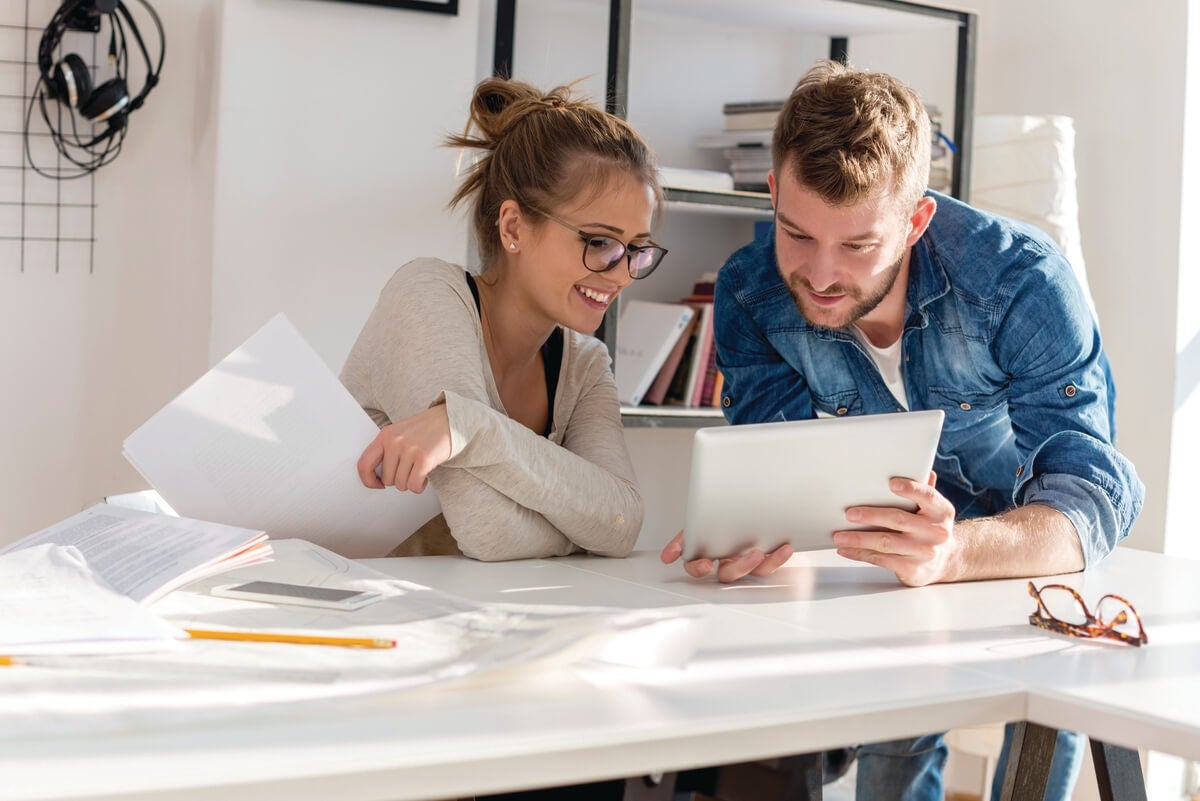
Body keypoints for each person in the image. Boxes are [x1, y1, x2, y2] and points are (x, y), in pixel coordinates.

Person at [661, 60, 1144, 801]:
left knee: (1052, 687)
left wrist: (954, 551)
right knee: (892, 728)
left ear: (916, 221)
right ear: (773, 194)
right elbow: (774, 461)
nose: (820, 274)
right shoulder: (750, 290)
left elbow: (1085, 502)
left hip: (1028, 545)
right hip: (895, 551)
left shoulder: (1022, 283)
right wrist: (747, 530)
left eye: (857, 246)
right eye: (797, 232)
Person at [341, 76, 667, 561]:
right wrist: (577, 531)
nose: (621, 274)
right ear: (514, 226)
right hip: (328, 609)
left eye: (637, 250)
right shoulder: (427, 295)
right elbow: (490, 531)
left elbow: (621, 525)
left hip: (462, 616)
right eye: (600, 242)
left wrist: (473, 429)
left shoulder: (584, 367)